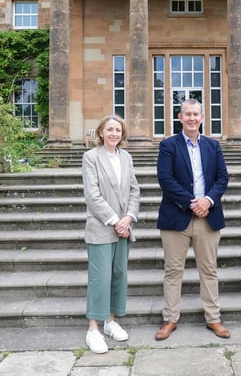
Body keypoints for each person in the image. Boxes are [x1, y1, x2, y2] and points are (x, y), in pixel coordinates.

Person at [154, 99, 230, 341]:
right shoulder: (168, 145)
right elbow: (165, 179)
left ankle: (213, 318)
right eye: (187, 114)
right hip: (176, 217)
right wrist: (191, 202)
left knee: (208, 270)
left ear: (202, 116)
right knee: (173, 271)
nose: (192, 118)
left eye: (196, 114)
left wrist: (207, 201)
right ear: (180, 117)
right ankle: (170, 319)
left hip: (208, 217)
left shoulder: (213, 145)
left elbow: (222, 177)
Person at [81, 115, 140, 354]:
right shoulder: (91, 157)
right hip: (101, 227)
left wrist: (128, 218)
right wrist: (116, 220)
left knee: (118, 275)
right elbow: (92, 195)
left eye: (118, 130)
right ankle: (93, 329)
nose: (114, 133)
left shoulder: (126, 157)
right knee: (100, 279)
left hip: (124, 228)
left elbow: (135, 189)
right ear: (101, 132)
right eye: (109, 129)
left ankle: (110, 322)